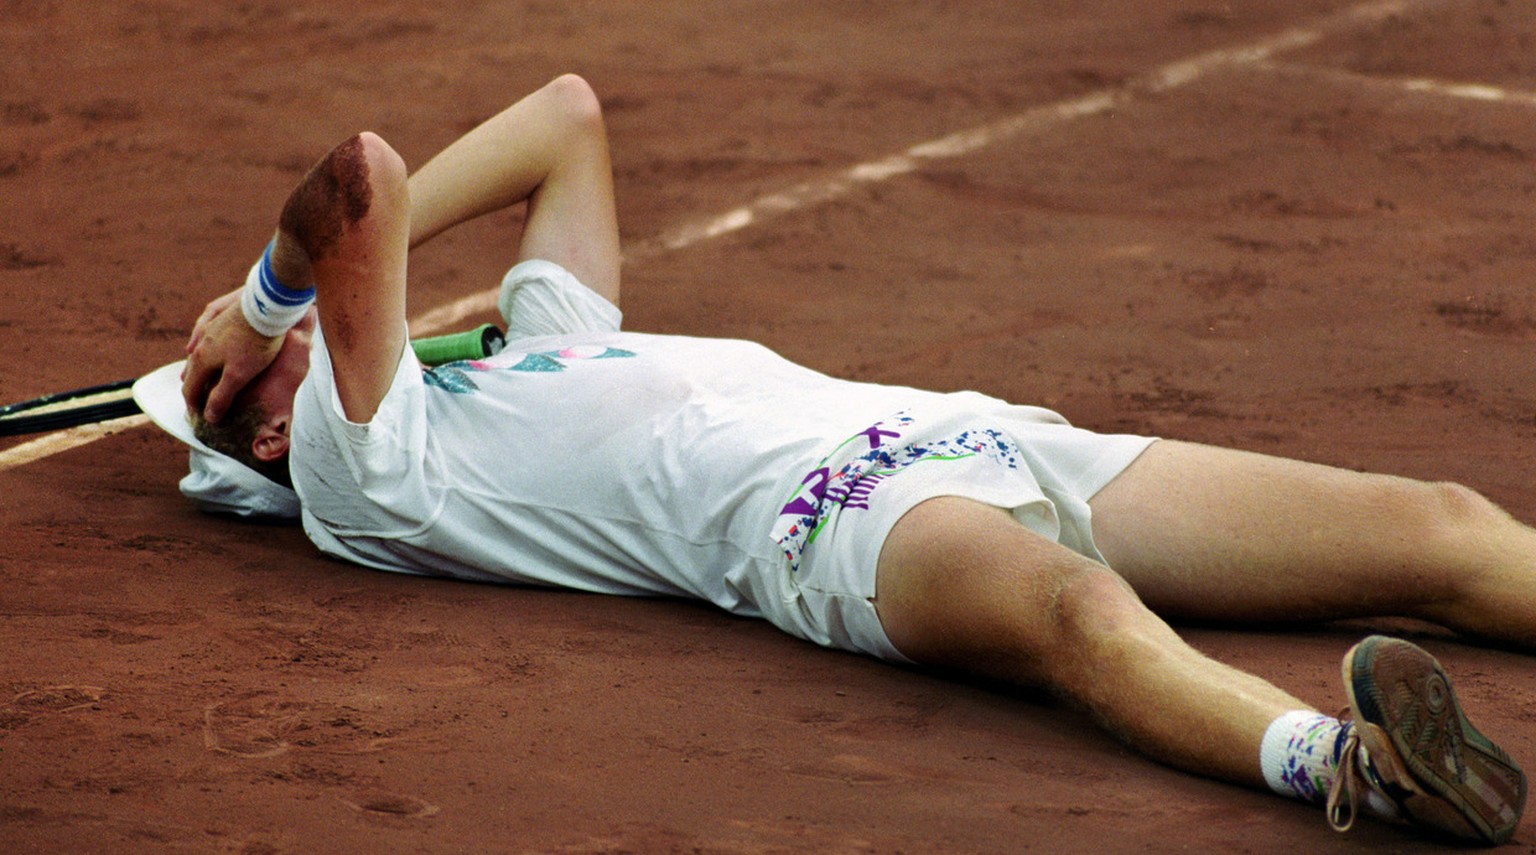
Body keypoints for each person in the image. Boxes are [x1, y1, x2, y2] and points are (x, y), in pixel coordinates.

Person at [137, 74, 1529, 845]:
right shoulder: (363, 470)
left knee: (1437, 526)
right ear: (267, 429)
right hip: (829, 521)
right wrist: (260, 299)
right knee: (1078, 615)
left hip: (960, 429)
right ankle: (1345, 765)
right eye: (232, 384)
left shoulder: (530, 350)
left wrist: (295, 307)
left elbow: (567, 116)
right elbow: (358, 183)